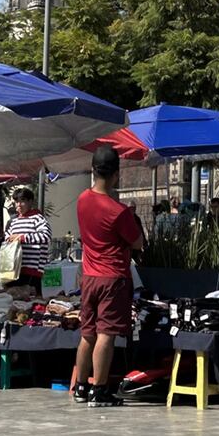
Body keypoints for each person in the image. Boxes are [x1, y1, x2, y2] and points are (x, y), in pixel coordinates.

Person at [72, 147, 144, 407]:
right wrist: (133, 219)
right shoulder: (119, 211)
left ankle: (81, 387)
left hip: (89, 276)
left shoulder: (81, 200)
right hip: (112, 278)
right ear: (116, 175)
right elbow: (137, 243)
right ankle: (100, 390)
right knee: (106, 335)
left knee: (87, 334)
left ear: (93, 170)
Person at [2, 188, 52, 292]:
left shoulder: (38, 219)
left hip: (32, 270)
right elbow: (7, 236)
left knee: (31, 299)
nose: (19, 205)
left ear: (30, 202)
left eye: (22, 201)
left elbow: (46, 236)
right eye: (16, 202)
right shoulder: (14, 221)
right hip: (14, 269)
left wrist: (22, 237)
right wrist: (10, 238)